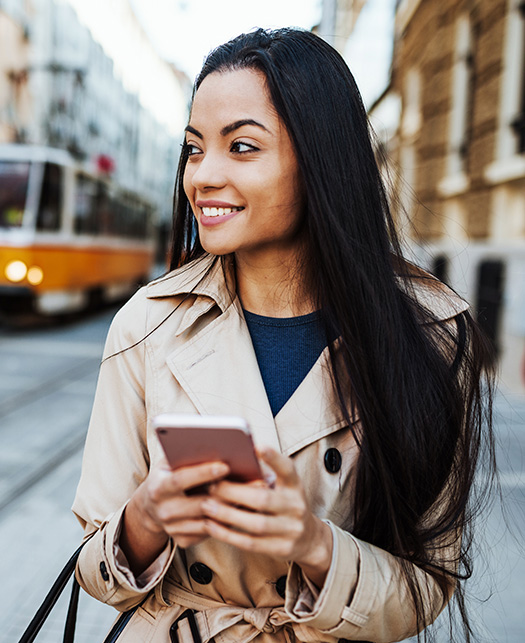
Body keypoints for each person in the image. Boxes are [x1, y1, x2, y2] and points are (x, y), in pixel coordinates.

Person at [72, 28, 495, 643]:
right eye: (193, 149)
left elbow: (426, 585)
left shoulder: (431, 333)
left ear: (321, 157)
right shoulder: (146, 324)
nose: (203, 177)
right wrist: (146, 517)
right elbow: (93, 566)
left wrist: (315, 546)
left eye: (242, 147)